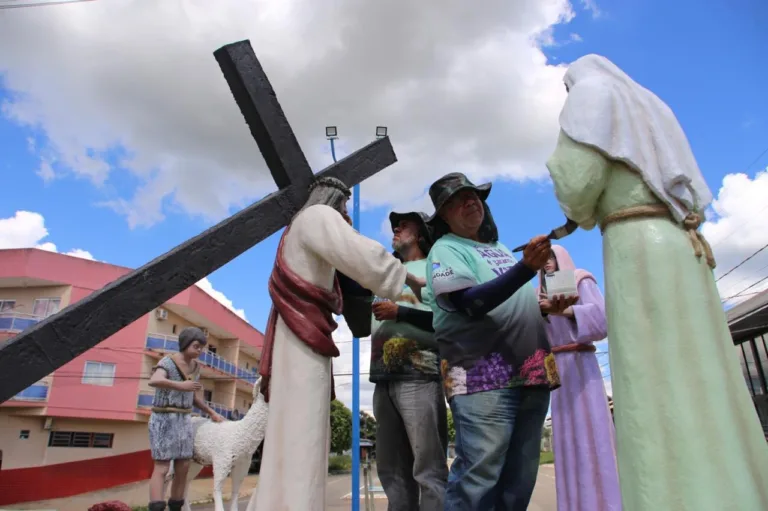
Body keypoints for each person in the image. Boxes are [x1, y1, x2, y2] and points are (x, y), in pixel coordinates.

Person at [546, 54, 768, 510]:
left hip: (638, 249)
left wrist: (561, 175)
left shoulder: (589, 94)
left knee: (656, 378)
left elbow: (578, 187)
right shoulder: (651, 106)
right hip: (681, 246)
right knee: (703, 375)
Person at [249, 177, 426, 511]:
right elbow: (360, 252)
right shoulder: (318, 217)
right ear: (332, 199)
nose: (345, 214)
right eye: (343, 206)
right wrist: (405, 278)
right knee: (304, 431)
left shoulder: (294, 231)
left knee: (288, 431)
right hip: (303, 344)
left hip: (295, 337)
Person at [423, 172, 573, 511]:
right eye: (456, 200)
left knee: (518, 483)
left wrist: (548, 308)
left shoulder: (500, 250)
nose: (470, 201)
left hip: (531, 373)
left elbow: (512, 303)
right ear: (443, 216)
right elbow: (469, 303)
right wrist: (524, 269)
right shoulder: (444, 250)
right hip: (481, 378)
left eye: (474, 195)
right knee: (478, 479)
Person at [366, 211, 447, 511]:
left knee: (429, 471)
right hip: (382, 380)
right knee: (392, 473)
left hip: (420, 375)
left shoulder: (436, 267)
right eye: (395, 224)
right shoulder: (385, 276)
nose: (397, 227)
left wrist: (400, 313)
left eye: (405, 223)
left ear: (423, 232)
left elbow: (448, 321)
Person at [537, 245, 621, 511]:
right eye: (541, 260)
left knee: (592, 433)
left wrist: (564, 311)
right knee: (566, 441)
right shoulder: (536, 294)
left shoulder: (579, 279)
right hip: (558, 371)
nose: (546, 263)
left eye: (549, 257)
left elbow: (602, 321)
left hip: (582, 366)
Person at [146, 327, 224, 511]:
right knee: (163, 467)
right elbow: (154, 380)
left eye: (201, 348)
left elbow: (194, 398)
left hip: (183, 419)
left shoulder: (196, 368)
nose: (199, 351)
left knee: (183, 466)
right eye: (196, 346)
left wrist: (210, 412)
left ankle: (176, 505)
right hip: (164, 418)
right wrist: (181, 385)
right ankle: (156, 506)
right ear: (185, 344)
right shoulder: (168, 361)